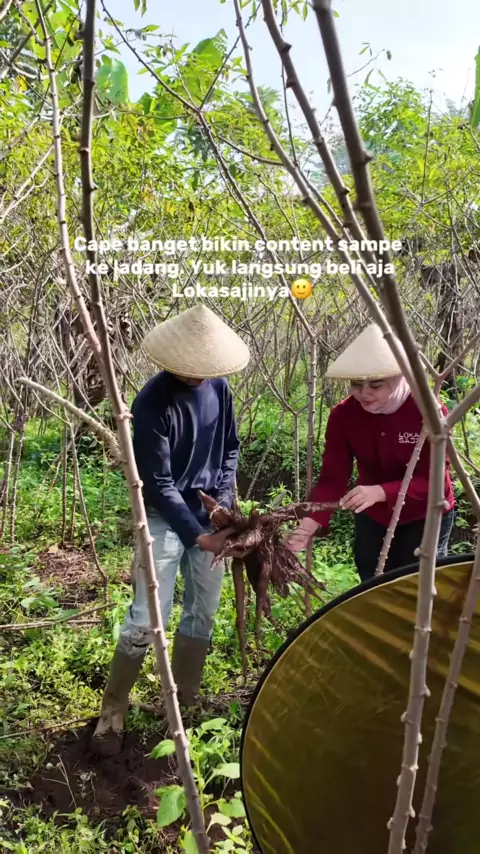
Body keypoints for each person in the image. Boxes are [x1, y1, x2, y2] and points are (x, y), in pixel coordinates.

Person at [92, 303, 249, 754]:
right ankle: (112, 714)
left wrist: (222, 505)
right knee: (146, 618)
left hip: (210, 514)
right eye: (190, 368)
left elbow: (230, 448)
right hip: (162, 518)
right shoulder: (152, 402)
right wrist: (197, 535)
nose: (198, 375)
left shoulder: (219, 388)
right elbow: (158, 483)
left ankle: (183, 704)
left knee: (203, 611)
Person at [286, 324, 455, 581]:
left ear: (400, 378)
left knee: (416, 584)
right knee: (373, 583)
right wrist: (309, 524)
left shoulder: (429, 412)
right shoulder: (343, 416)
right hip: (375, 515)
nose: (364, 393)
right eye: (356, 384)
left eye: (375, 385)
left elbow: (435, 484)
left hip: (425, 514)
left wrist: (381, 492)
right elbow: (333, 478)